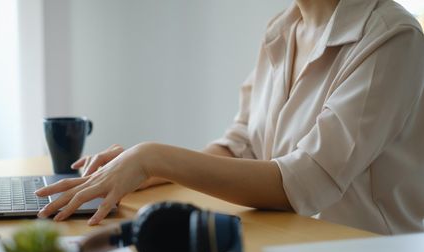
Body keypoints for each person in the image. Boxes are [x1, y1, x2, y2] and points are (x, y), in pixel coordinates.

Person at [36, 0, 424, 235]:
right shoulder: (283, 28)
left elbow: (304, 183)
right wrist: (141, 172)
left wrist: (153, 156)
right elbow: (242, 145)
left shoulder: (392, 39)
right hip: (295, 246)